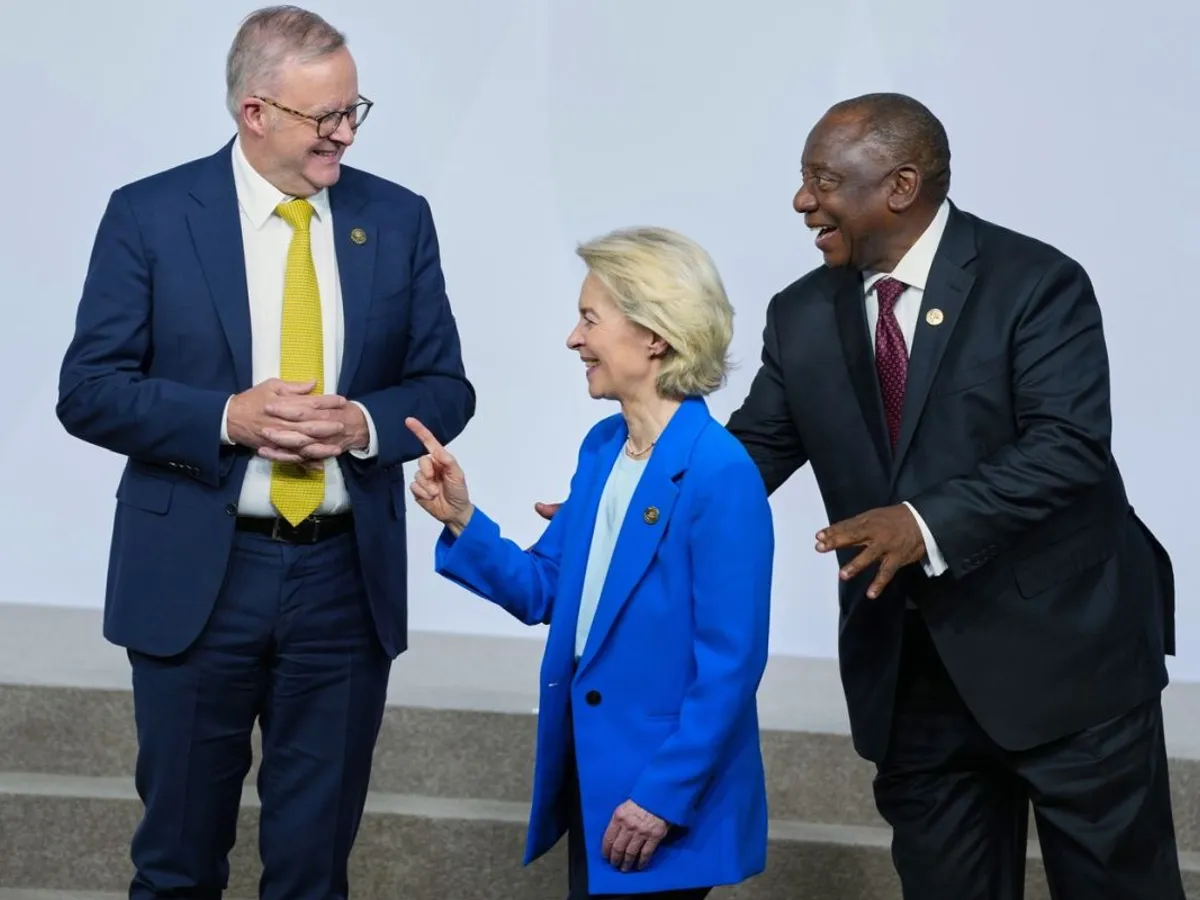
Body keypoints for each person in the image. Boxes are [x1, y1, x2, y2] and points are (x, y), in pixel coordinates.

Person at [539, 93, 1183, 899]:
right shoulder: (804, 313)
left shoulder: (1035, 284)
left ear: (901, 185)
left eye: (822, 180)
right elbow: (748, 454)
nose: (803, 201)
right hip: (913, 681)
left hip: (1069, 664)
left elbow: (1069, 448)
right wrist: (629, 509)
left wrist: (923, 522)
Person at [55, 6, 475, 898]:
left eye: (355, 110)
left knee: (313, 872)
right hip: (196, 584)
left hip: (341, 588)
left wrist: (362, 422)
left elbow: (446, 387)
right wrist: (225, 417)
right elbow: (89, 389)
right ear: (255, 112)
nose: (344, 134)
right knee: (175, 864)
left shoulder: (398, 220)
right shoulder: (151, 215)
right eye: (325, 117)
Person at [407, 226, 773, 899]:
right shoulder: (604, 447)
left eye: (589, 320)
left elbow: (731, 663)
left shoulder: (721, 472)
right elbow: (544, 588)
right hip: (595, 777)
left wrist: (662, 797)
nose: (574, 340)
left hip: (659, 798)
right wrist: (463, 519)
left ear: (653, 336)